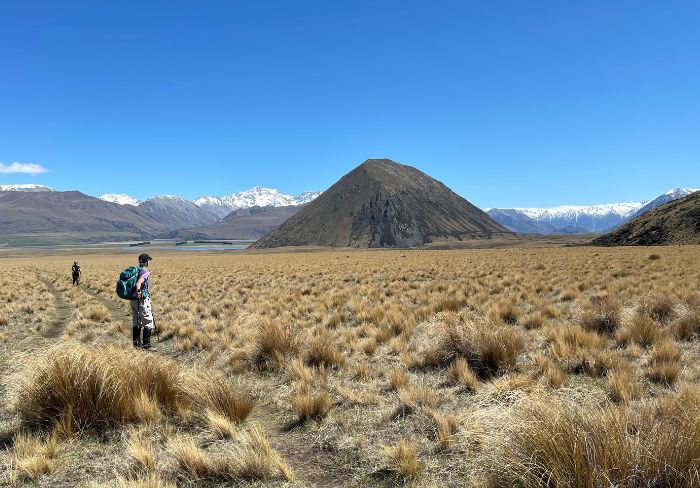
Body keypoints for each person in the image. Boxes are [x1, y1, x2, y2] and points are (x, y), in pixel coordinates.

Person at [131, 253, 155, 350]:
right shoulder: (145, 272)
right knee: (148, 321)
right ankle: (146, 346)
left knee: (136, 320)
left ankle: (136, 344)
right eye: (148, 260)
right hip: (141, 299)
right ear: (146, 262)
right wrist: (139, 291)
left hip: (133, 299)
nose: (149, 262)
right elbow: (139, 283)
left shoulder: (135, 271)